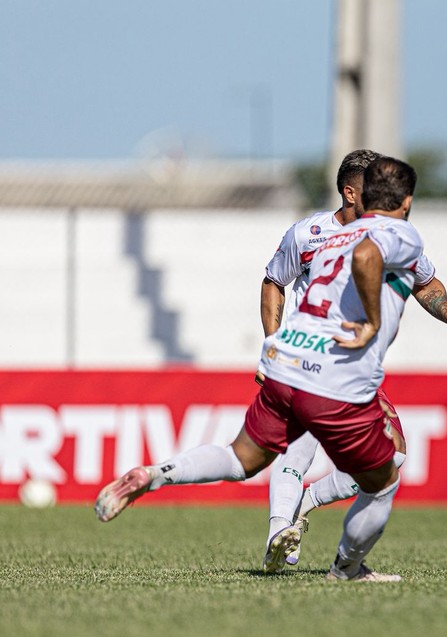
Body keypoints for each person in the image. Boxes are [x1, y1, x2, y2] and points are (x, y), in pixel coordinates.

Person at [96, 156, 429, 583]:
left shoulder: (329, 237)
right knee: (384, 478)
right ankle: (345, 567)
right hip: (335, 372)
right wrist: (372, 322)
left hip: (288, 358)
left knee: (243, 458)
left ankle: (158, 474)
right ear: (405, 201)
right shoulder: (397, 232)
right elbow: (366, 257)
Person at [258, 149, 447, 573]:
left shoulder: (389, 236)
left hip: (355, 367)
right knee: (298, 448)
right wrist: (273, 344)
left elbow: (425, 282)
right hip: (307, 359)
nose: (381, 197)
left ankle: (302, 506)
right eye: (371, 189)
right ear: (349, 192)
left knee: (392, 455)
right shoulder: (308, 235)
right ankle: (280, 533)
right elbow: (273, 281)